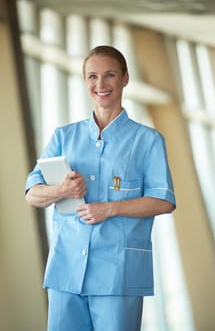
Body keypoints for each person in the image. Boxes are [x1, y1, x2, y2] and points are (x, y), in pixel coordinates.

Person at [25, 45, 176, 331]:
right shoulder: (64, 137)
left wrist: (109, 208)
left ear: (125, 79)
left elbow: (163, 201)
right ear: (85, 82)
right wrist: (61, 191)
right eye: (92, 77)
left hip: (118, 274)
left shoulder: (148, 141)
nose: (101, 84)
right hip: (66, 272)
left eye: (109, 75)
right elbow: (32, 193)